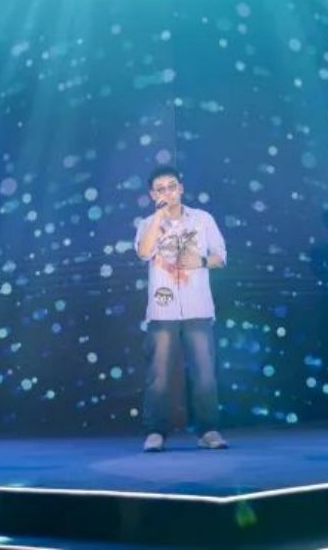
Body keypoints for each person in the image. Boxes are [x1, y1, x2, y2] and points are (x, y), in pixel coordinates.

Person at [134, 164, 228, 452]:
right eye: (160, 189)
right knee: (159, 375)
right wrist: (159, 217)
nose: (168, 193)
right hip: (162, 310)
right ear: (153, 195)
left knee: (204, 373)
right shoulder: (147, 223)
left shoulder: (202, 219)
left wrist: (200, 261)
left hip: (198, 306)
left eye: (172, 187)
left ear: (181, 188)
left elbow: (221, 256)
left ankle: (208, 430)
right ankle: (155, 432)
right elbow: (143, 252)